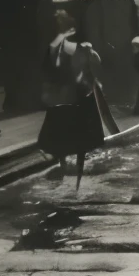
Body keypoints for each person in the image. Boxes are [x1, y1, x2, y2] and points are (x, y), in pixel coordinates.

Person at [38, 9, 109, 188]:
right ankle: (71, 177)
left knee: (75, 142)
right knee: (73, 142)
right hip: (69, 99)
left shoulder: (74, 48)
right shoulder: (59, 47)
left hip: (74, 99)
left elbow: (89, 69)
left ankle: (72, 178)